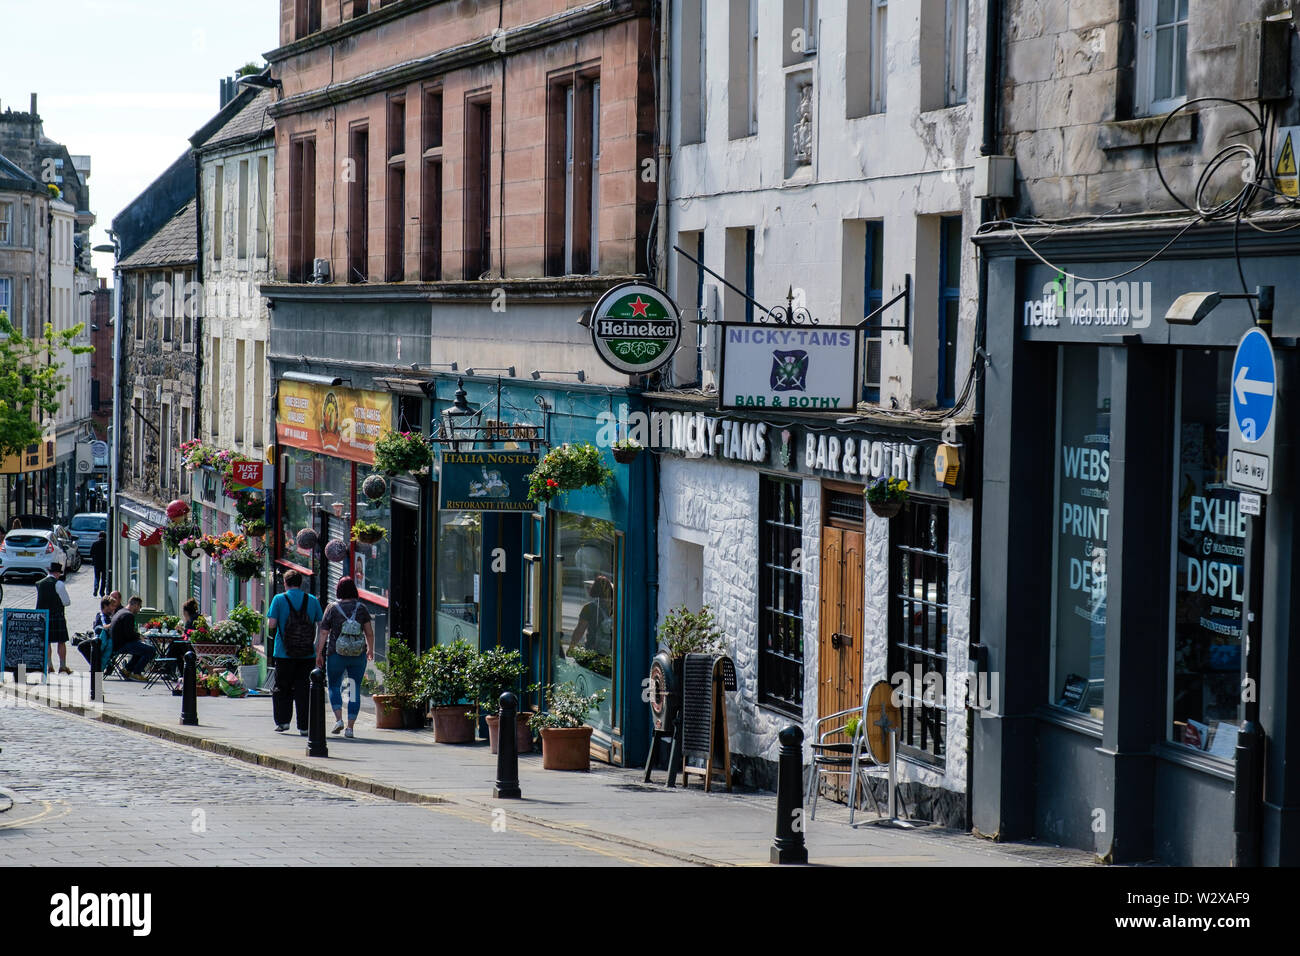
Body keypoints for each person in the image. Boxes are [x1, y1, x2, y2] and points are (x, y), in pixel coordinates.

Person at [317, 577, 375, 738]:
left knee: (334, 686)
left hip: (336, 653)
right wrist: (370, 650)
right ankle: (350, 728)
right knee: (355, 689)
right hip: (358, 654)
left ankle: (338, 720)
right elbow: (369, 632)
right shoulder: (361, 608)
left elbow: (323, 632)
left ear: (338, 590)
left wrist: (319, 653)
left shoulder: (332, 608)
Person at [266, 570, 323, 735]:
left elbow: (272, 624)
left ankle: (283, 722)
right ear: (301, 583)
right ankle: (304, 726)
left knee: (282, 687)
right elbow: (321, 624)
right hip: (307, 653)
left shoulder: (278, 599)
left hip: (284, 652)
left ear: (285, 583)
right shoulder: (312, 600)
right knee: (303, 689)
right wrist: (316, 646)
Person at [36, 563, 73, 674]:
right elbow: (66, 602)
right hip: (57, 616)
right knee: (61, 641)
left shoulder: (39, 584)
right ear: (57, 573)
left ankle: (49, 665)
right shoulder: (59, 584)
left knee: (46, 642)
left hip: (43, 616)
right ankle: (62, 666)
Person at [108, 596, 156, 681]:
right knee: (151, 650)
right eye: (139, 606)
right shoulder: (128, 615)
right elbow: (129, 634)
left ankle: (127, 669)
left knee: (141, 648)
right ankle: (136, 672)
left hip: (116, 643)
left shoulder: (120, 612)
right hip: (122, 645)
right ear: (135, 605)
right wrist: (139, 636)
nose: (139, 609)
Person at [567, 574, 614, 657]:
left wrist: (571, 647)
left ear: (594, 589)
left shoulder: (589, 607)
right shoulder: (618, 608)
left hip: (593, 651)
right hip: (612, 652)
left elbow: (580, 629)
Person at [89, 532, 108, 596]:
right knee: (104, 578)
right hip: (105, 563)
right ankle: (102, 592)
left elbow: (91, 553)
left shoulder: (95, 543)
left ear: (99, 536)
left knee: (97, 577)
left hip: (96, 563)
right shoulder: (107, 544)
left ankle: (96, 588)